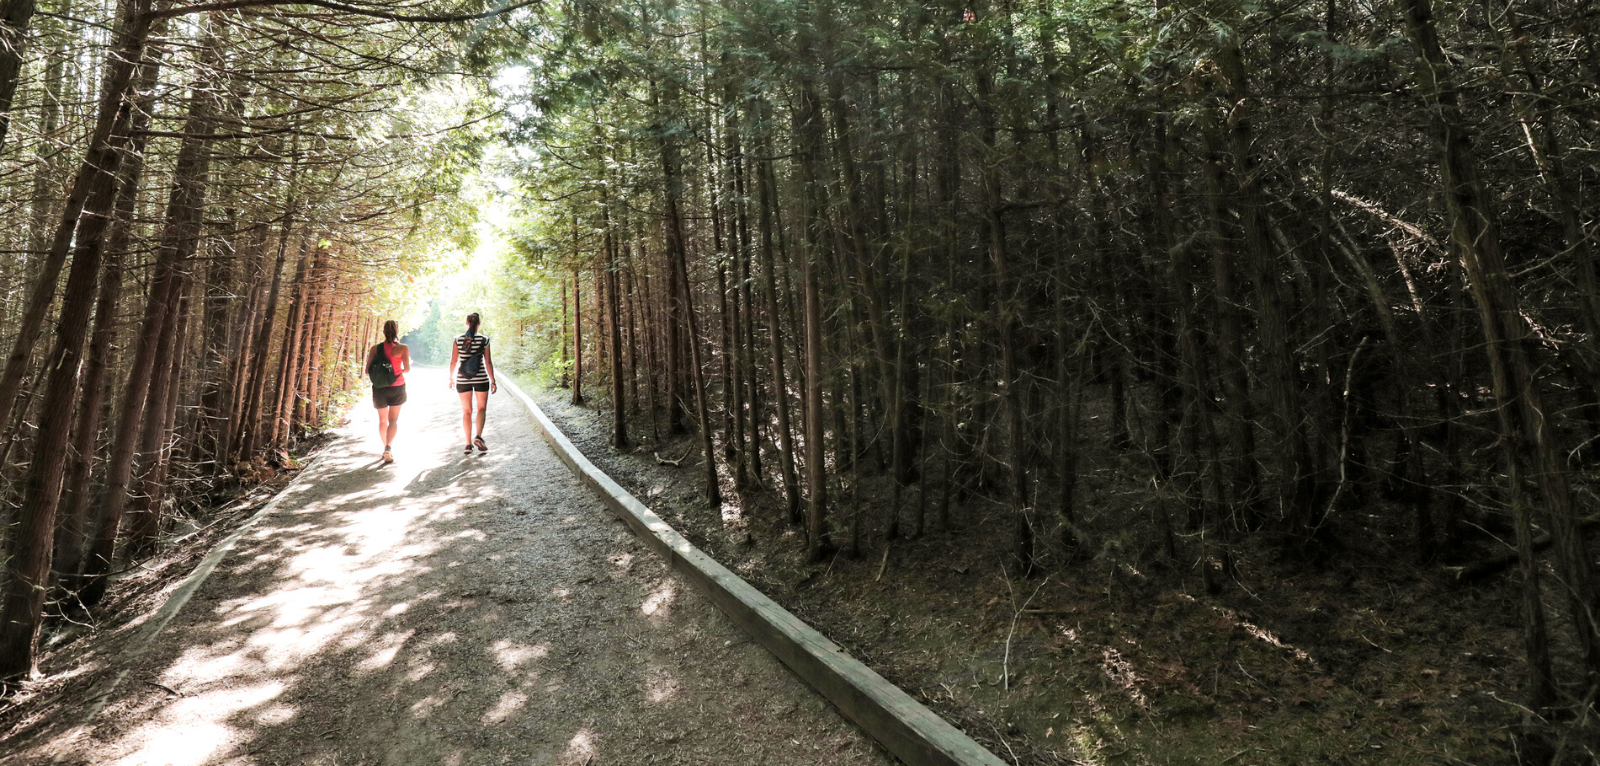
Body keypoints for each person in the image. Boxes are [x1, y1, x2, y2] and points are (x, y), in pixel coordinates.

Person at [448, 312, 497, 453]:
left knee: (466, 411)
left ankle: (468, 445)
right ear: (479, 324)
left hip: (463, 379)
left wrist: (451, 378)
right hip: (481, 378)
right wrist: (493, 381)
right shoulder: (485, 340)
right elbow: (488, 362)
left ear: (466, 323)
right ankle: (478, 436)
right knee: (481, 409)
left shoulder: (458, 339)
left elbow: (453, 361)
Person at [366, 320, 411, 464]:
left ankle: (384, 447)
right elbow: (407, 369)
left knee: (383, 420)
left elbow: (367, 370)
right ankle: (388, 447)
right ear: (397, 331)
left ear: (383, 332)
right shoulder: (403, 348)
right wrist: (399, 370)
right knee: (393, 420)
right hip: (397, 386)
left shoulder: (375, 349)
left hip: (380, 388)